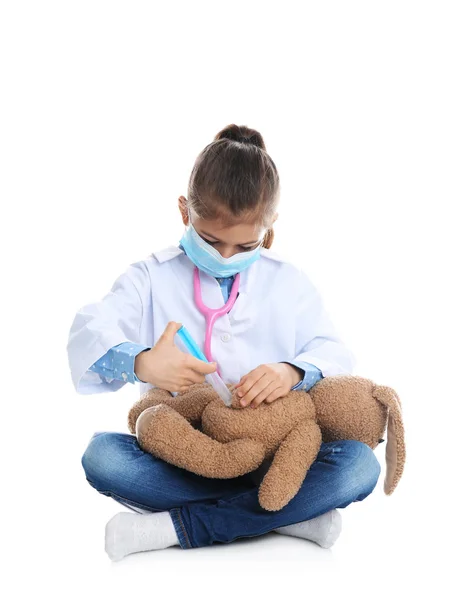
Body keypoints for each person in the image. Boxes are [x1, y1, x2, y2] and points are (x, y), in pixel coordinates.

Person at [67, 123, 381, 561]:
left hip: (274, 461)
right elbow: (89, 329)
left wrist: (292, 371)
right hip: (187, 459)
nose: (226, 256)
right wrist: (140, 363)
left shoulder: (288, 282)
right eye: (211, 240)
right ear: (184, 212)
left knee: (359, 465)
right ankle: (287, 517)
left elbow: (334, 352)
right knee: (103, 456)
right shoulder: (150, 276)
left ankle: (178, 527)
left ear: (269, 230)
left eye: (245, 244)